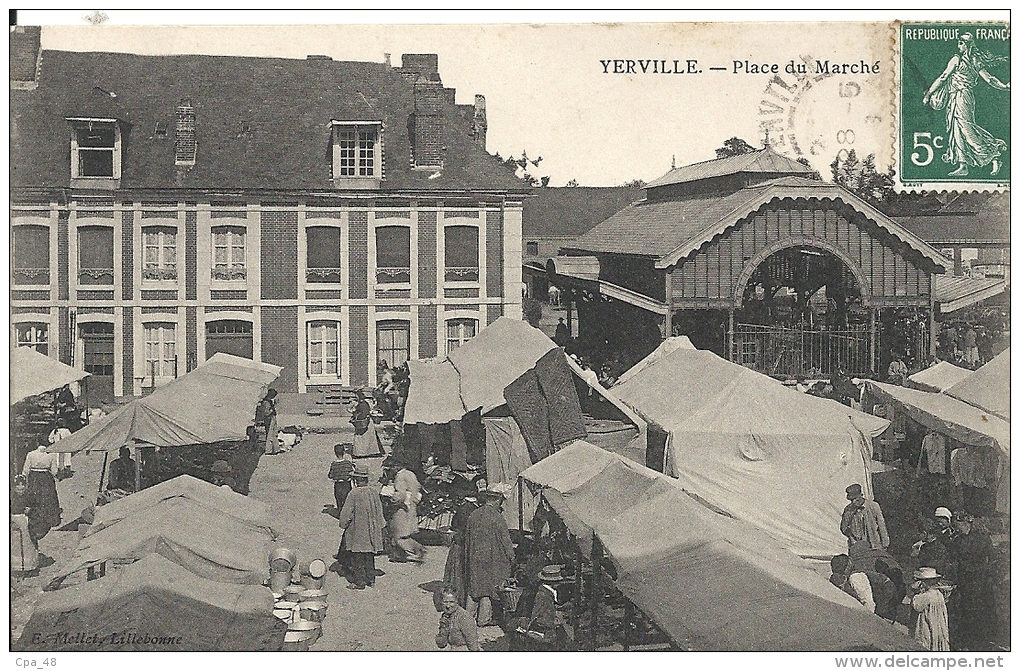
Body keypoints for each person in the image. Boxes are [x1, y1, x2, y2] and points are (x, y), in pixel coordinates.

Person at [922, 33, 1009, 178]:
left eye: (961, 42)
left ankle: (993, 154)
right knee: (957, 130)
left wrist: (928, 93)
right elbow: (990, 80)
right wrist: (1004, 87)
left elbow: (944, 77)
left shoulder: (959, 59)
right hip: (957, 97)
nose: (958, 44)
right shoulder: (974, 60)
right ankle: (963, 165)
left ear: (966, 44)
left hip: (962, 97)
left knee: (966, 129)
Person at [465, 483, 515, 627]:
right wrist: (512, 557)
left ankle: (467, 619)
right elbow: (505, 540)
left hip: (474, 557)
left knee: (474, 587)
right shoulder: (497, 517)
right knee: (487, 588)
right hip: (491, 559)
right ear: (497, 500)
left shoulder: (473, 515)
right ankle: (483, 620)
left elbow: (467, 539)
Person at [950, 512, 996, 650]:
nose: (956, 529)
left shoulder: (982, 538)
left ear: (966, 523)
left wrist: (989, 575)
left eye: (957, 526)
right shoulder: (957, 540)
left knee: (979, 609)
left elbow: (992, 557)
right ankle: (967, 640)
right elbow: (954, 560)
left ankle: (982, 640)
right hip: (964, 579)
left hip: (980, 579)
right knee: (965, 609)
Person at [337, 465, 386, 590]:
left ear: (356, 479)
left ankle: (360, 582)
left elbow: (346, 513)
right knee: (369, 556)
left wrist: (343, 524)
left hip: (357, 530)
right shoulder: (373, 492)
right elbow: (379, 510)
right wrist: (380, 525)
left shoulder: (353, 493)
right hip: (371, 530)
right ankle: (371, 579)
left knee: (357, 557)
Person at [442, 477, 486, 608]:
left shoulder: (464, 509)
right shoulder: (473, 511)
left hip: (460, 545)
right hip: (465, 546)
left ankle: (457, 600)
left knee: (458, 575)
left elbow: (454, 527)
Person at [829, 554, 897, 618]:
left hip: (886, 594)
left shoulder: (856, 578)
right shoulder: (849, 578)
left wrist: (869, 618)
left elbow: (868, 601)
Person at [21, 444, 62, 542]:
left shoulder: (31, 454)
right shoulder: (51, 455)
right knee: (47, 497)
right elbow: (54, 470)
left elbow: (26, 469)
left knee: (36, 497)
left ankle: (36, 518)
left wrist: (24, 477)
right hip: (46, 478)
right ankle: (48, 518)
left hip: (34, 477)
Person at [387, 461, 426, 563]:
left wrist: (391, 499)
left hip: (402, 509)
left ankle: (416, 550)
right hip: (412, 506)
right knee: (405, 532)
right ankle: (400, 554)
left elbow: (400, 495)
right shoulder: (410, 473)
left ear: (396, 467)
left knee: (398, 535)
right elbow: (418, 487)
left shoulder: (399, 477)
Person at [840, 483, 889, 553]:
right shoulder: (848, 509)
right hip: (858, 546)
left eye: (855, 499)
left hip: (874, 544)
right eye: (851, 500)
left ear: (861, 495)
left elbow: (881, 526)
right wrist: (852, 537)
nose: (853, 502)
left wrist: (885, 544)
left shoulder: (873, 506)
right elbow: (843, 528)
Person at [911, 567, 951, 651]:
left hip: (928, 625)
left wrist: (915, 592)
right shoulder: (938, 594)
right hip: (939, 626)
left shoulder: (926, 596)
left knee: (926, 642)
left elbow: (916, 606)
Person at [11, 475, 39, 573]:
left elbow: (36, 507)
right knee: (15, 544)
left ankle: (29, 567)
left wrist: (30, 510)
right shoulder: (11, 496)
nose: (20, 489)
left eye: (22, 487)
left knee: (27, 543)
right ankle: (16, 567)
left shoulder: (29, 496)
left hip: (25, 522)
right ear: (14, 487)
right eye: (18, 487)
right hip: (13, 521)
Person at [350, 390, 382, 458]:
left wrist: (354, 415)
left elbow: (362, 413)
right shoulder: (365, 403)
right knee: (369, 438)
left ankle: (361, 453)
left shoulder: (362, 404)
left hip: (363, 422)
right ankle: (371, 452)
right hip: (367, 421)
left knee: (361, 438)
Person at [328, 443, 355, 513]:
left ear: (335, 453)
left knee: (339, 500)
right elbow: (352, 473)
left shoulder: (334, 464)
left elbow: (330, 475)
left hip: (338, 485)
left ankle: (340, 514)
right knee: (347, 501)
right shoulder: (348, 463)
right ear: (344, 452)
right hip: (346, 484)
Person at [257, 389, 280, 454]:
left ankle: (275, 449)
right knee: (270, 435)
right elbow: (267, 413)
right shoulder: (266, 402)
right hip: (269, 419)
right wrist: (274, 406)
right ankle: (268, 450)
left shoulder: (268, 401)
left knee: (274, 434)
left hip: (272, 418)